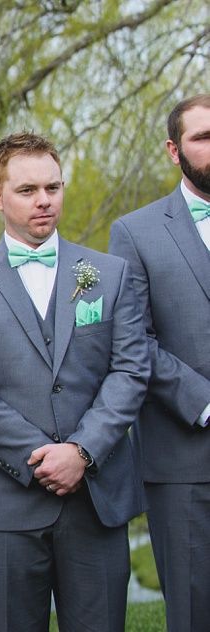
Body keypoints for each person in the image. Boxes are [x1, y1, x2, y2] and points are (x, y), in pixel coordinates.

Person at [0, 132, 149, 631]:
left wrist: (81, 452)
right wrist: (39, 457)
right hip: (5, 500)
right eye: (28, 189)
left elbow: (130, 369)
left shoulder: (109, 274)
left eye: (53, 188)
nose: (44, 201)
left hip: (96, 496)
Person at [109, 94, 210, 632]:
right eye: (203, 137)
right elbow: (133, 343)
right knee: (194, 612)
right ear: (174, 150)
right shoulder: (136, 232)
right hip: (185, 459)